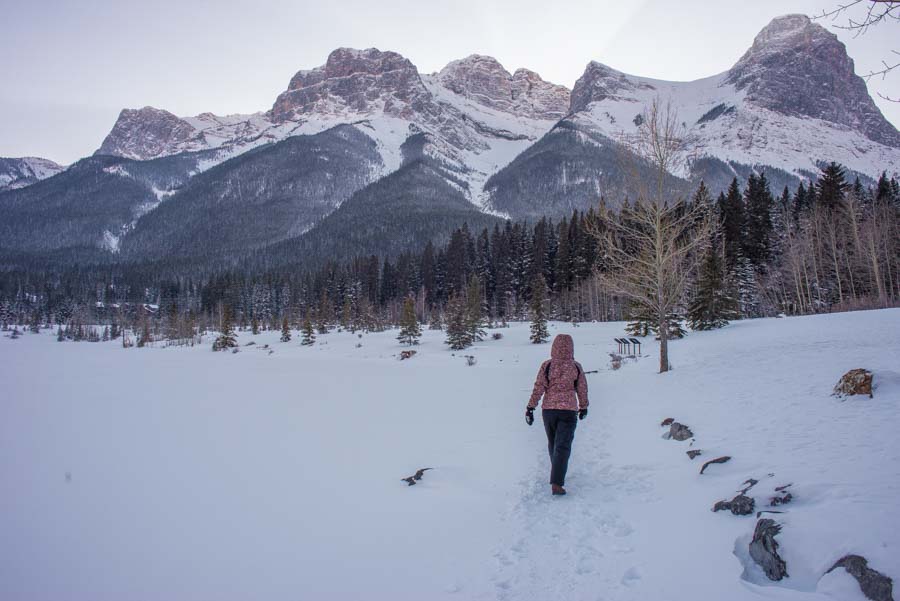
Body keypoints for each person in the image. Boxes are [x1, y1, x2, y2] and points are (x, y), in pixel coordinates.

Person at [525, 333, 589, 496]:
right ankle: (557, 482)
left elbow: (539, 386)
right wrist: (583, 406)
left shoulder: (547, 365)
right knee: (563, 445)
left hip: (549, 411)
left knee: (554, 444)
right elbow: (581, 388)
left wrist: (530, 407)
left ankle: (557, 474)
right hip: (568, 410)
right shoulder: (576, 366)